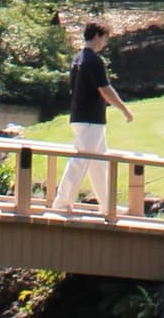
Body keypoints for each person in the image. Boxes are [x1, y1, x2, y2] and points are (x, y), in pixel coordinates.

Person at [52, 18, 135, 214]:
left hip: (84, 118)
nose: (105, 43)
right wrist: (124, 109)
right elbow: (105, 89)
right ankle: (61, 203)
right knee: (80, 161)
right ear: (97, 36)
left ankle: (107, 206)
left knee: (98, 164)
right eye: (105, 38)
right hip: (89, 120)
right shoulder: (94, 61)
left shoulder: (78, 59)